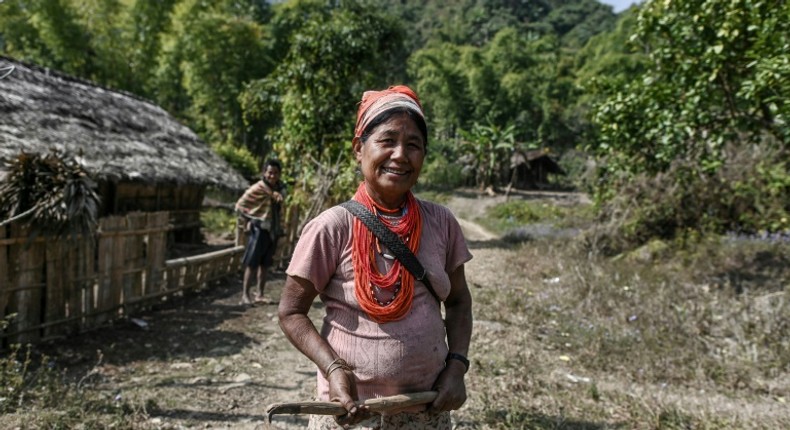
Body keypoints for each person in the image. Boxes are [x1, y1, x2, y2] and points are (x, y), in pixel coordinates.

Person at [278, 85, 473, 429]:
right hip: (351, 412)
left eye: (413, 145)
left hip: (425, 407)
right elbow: (292, 312)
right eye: (387, 141)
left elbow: (458, 301)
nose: (400, 155)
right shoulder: (332, 227)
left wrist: (456, 366)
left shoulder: (441, 223)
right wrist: (334, 368)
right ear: (358, 149)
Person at [235, 159, 285, 305]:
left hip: (272, 230)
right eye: (270, 173)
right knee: (252, 263)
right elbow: (241, 204)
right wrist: (249, 219)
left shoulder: (280, 189)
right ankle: (245, 295)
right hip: (259, 229)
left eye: (276, 173)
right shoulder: (259, 188)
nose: (272, 176)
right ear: (264, 173)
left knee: (265, 264)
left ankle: (260, 294)